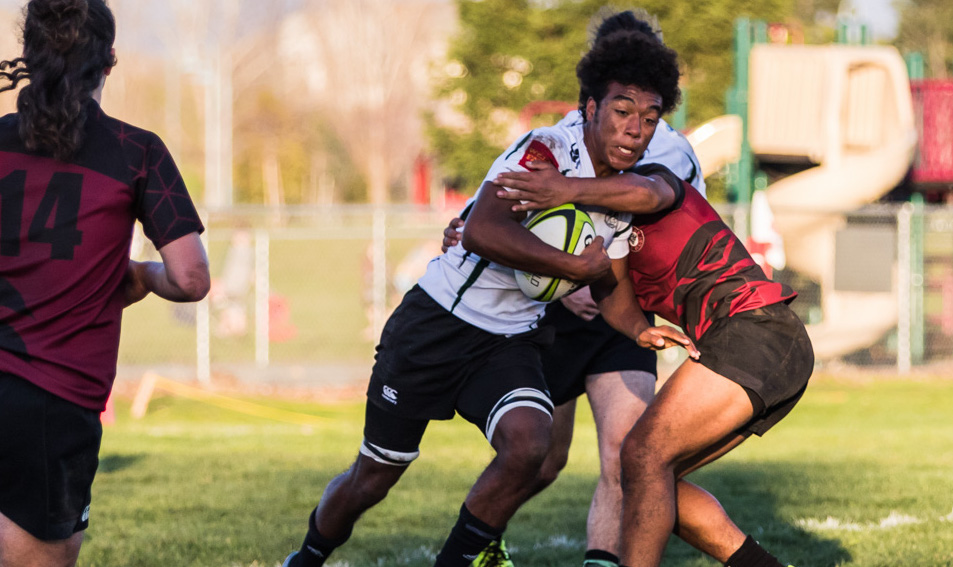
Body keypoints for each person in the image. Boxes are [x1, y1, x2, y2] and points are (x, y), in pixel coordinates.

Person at [281, 22, 692, 567]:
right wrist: (571, 264)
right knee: (373, 477)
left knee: (530, 443)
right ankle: (307, 557)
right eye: (622, 111)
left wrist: (640, 327)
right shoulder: (546, 151)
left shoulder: (623, 187)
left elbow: (607, 281)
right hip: (438, 323)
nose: (635, 129)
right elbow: (483, 231)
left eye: (649, 117)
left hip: (510, 340)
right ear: (589, 108)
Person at [467, 158, 812, 567]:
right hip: (757, 344)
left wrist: (564, 187)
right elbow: (614, 296)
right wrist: (638, 329)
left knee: (642, 455)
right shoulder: (600, 230)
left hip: (757, 328)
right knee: (649, 479)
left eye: (647, 118)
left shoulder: (654, 181)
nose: (635, 131)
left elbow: (647, 192)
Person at [0, 1, 210, 566]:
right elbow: (191, 277)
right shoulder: (136, 151)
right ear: (108, 63)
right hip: (51, 398)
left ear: (29, 58)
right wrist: (144, 276)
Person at [462, 12, 705, 567]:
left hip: (621, 314)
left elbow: (651, 208)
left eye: (647, 105)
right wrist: (467, 223)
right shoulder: (568, 135)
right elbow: (509, 196)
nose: (633, 122)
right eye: (622, 101)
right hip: (552, 317)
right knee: (541, 458)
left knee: (626, 454)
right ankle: (482, 539)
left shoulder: (673, 150)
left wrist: (596, 272)